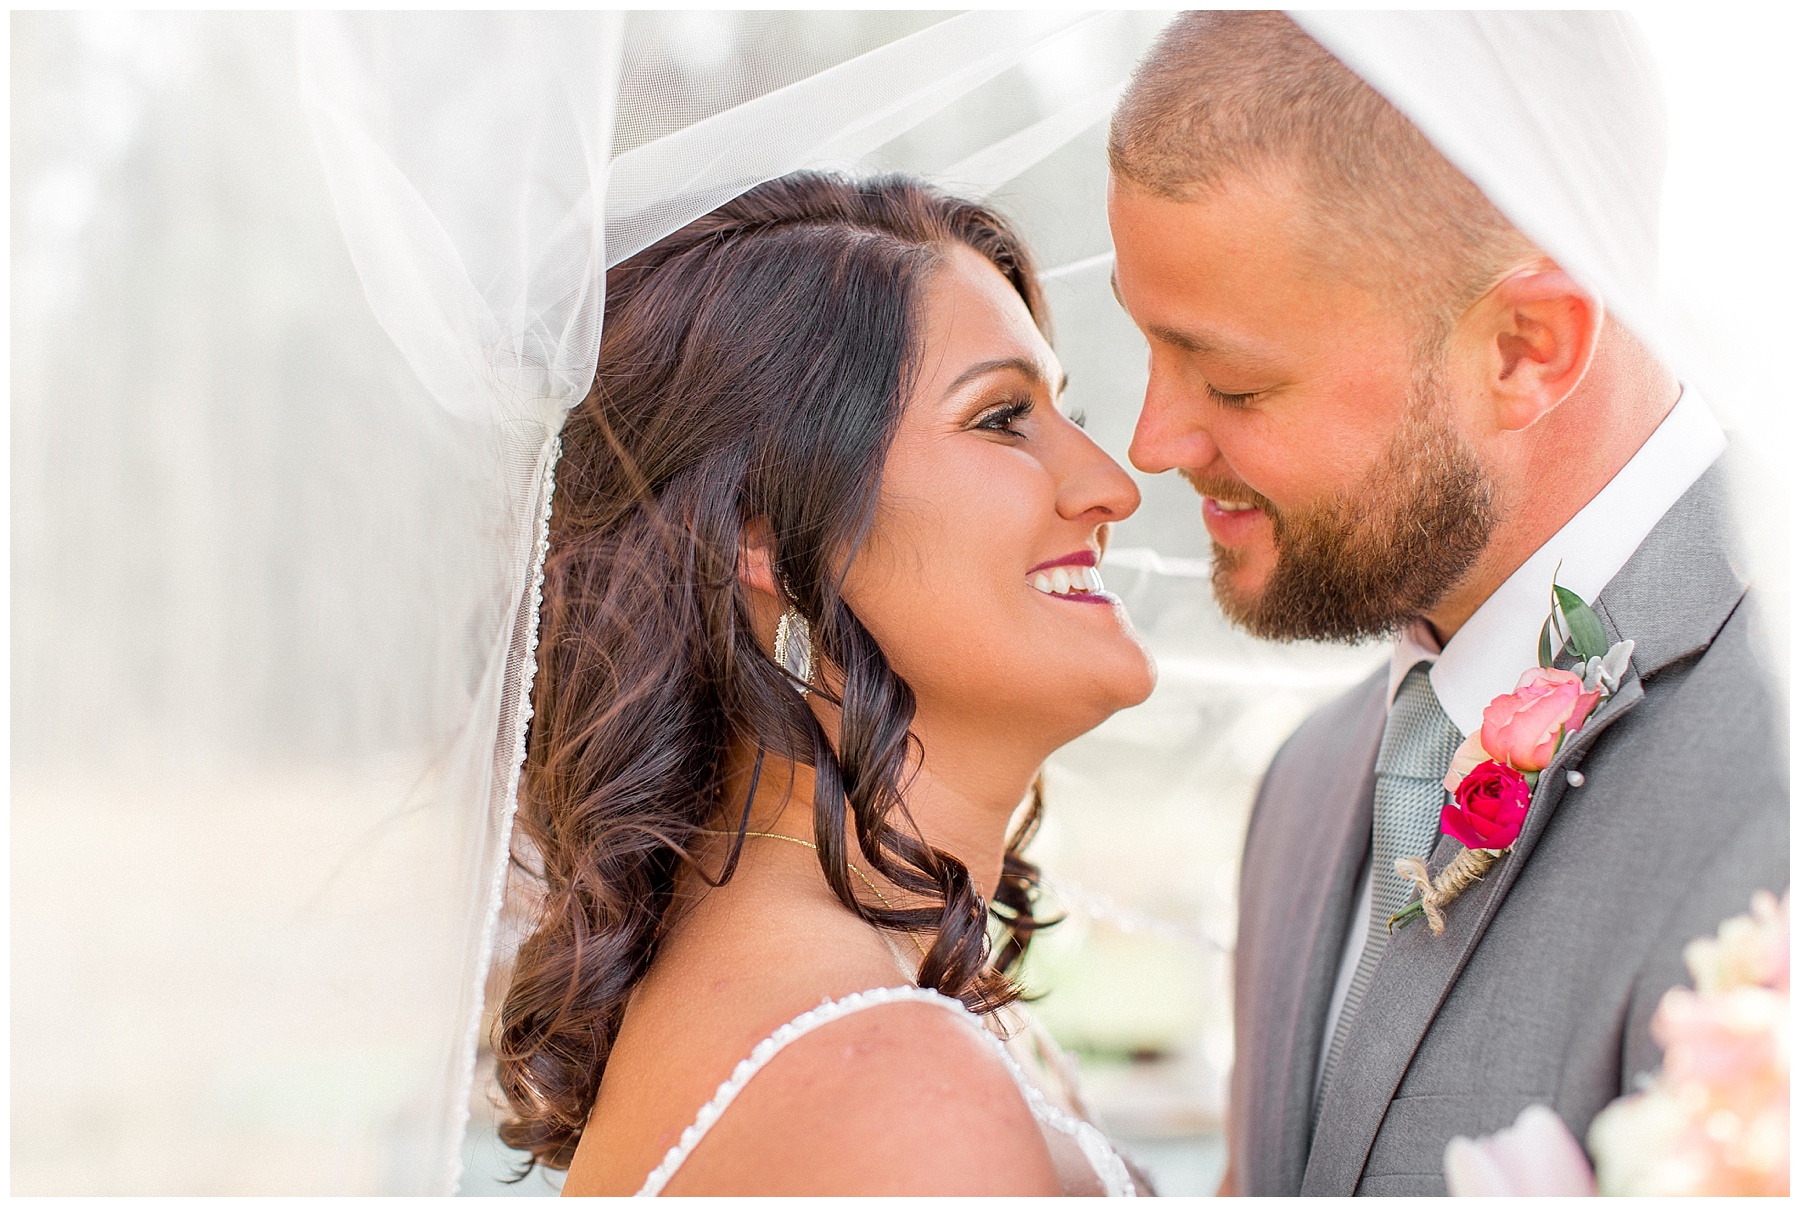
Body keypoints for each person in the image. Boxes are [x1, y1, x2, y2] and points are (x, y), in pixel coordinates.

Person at [1106, 10, 1787, 1197]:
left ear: (1526, 345)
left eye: (1234, 381)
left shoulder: (1772, 762)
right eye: (1144, 348)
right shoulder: (1312, 785)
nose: (1150, 442)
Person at [490, 172, 1156, 1195]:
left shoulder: (838, 1004)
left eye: (1064, 409)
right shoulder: (898, 1090)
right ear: (765, 532)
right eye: (1000, 417)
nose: (1113, 485)